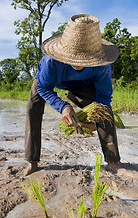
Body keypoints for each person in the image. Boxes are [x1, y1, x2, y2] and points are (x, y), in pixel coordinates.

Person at [24, 14, 121, 176]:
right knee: (32, 107)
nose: (77, 63)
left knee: (103, 111)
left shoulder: (102, 66)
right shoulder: (51, 62)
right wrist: (63, 107)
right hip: (49, 80)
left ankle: (113, 162)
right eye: (74, 57)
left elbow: (103, 96)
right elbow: (43, 87)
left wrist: (94, 121)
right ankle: (32, 161)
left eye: (84, 59)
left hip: (82, 83)